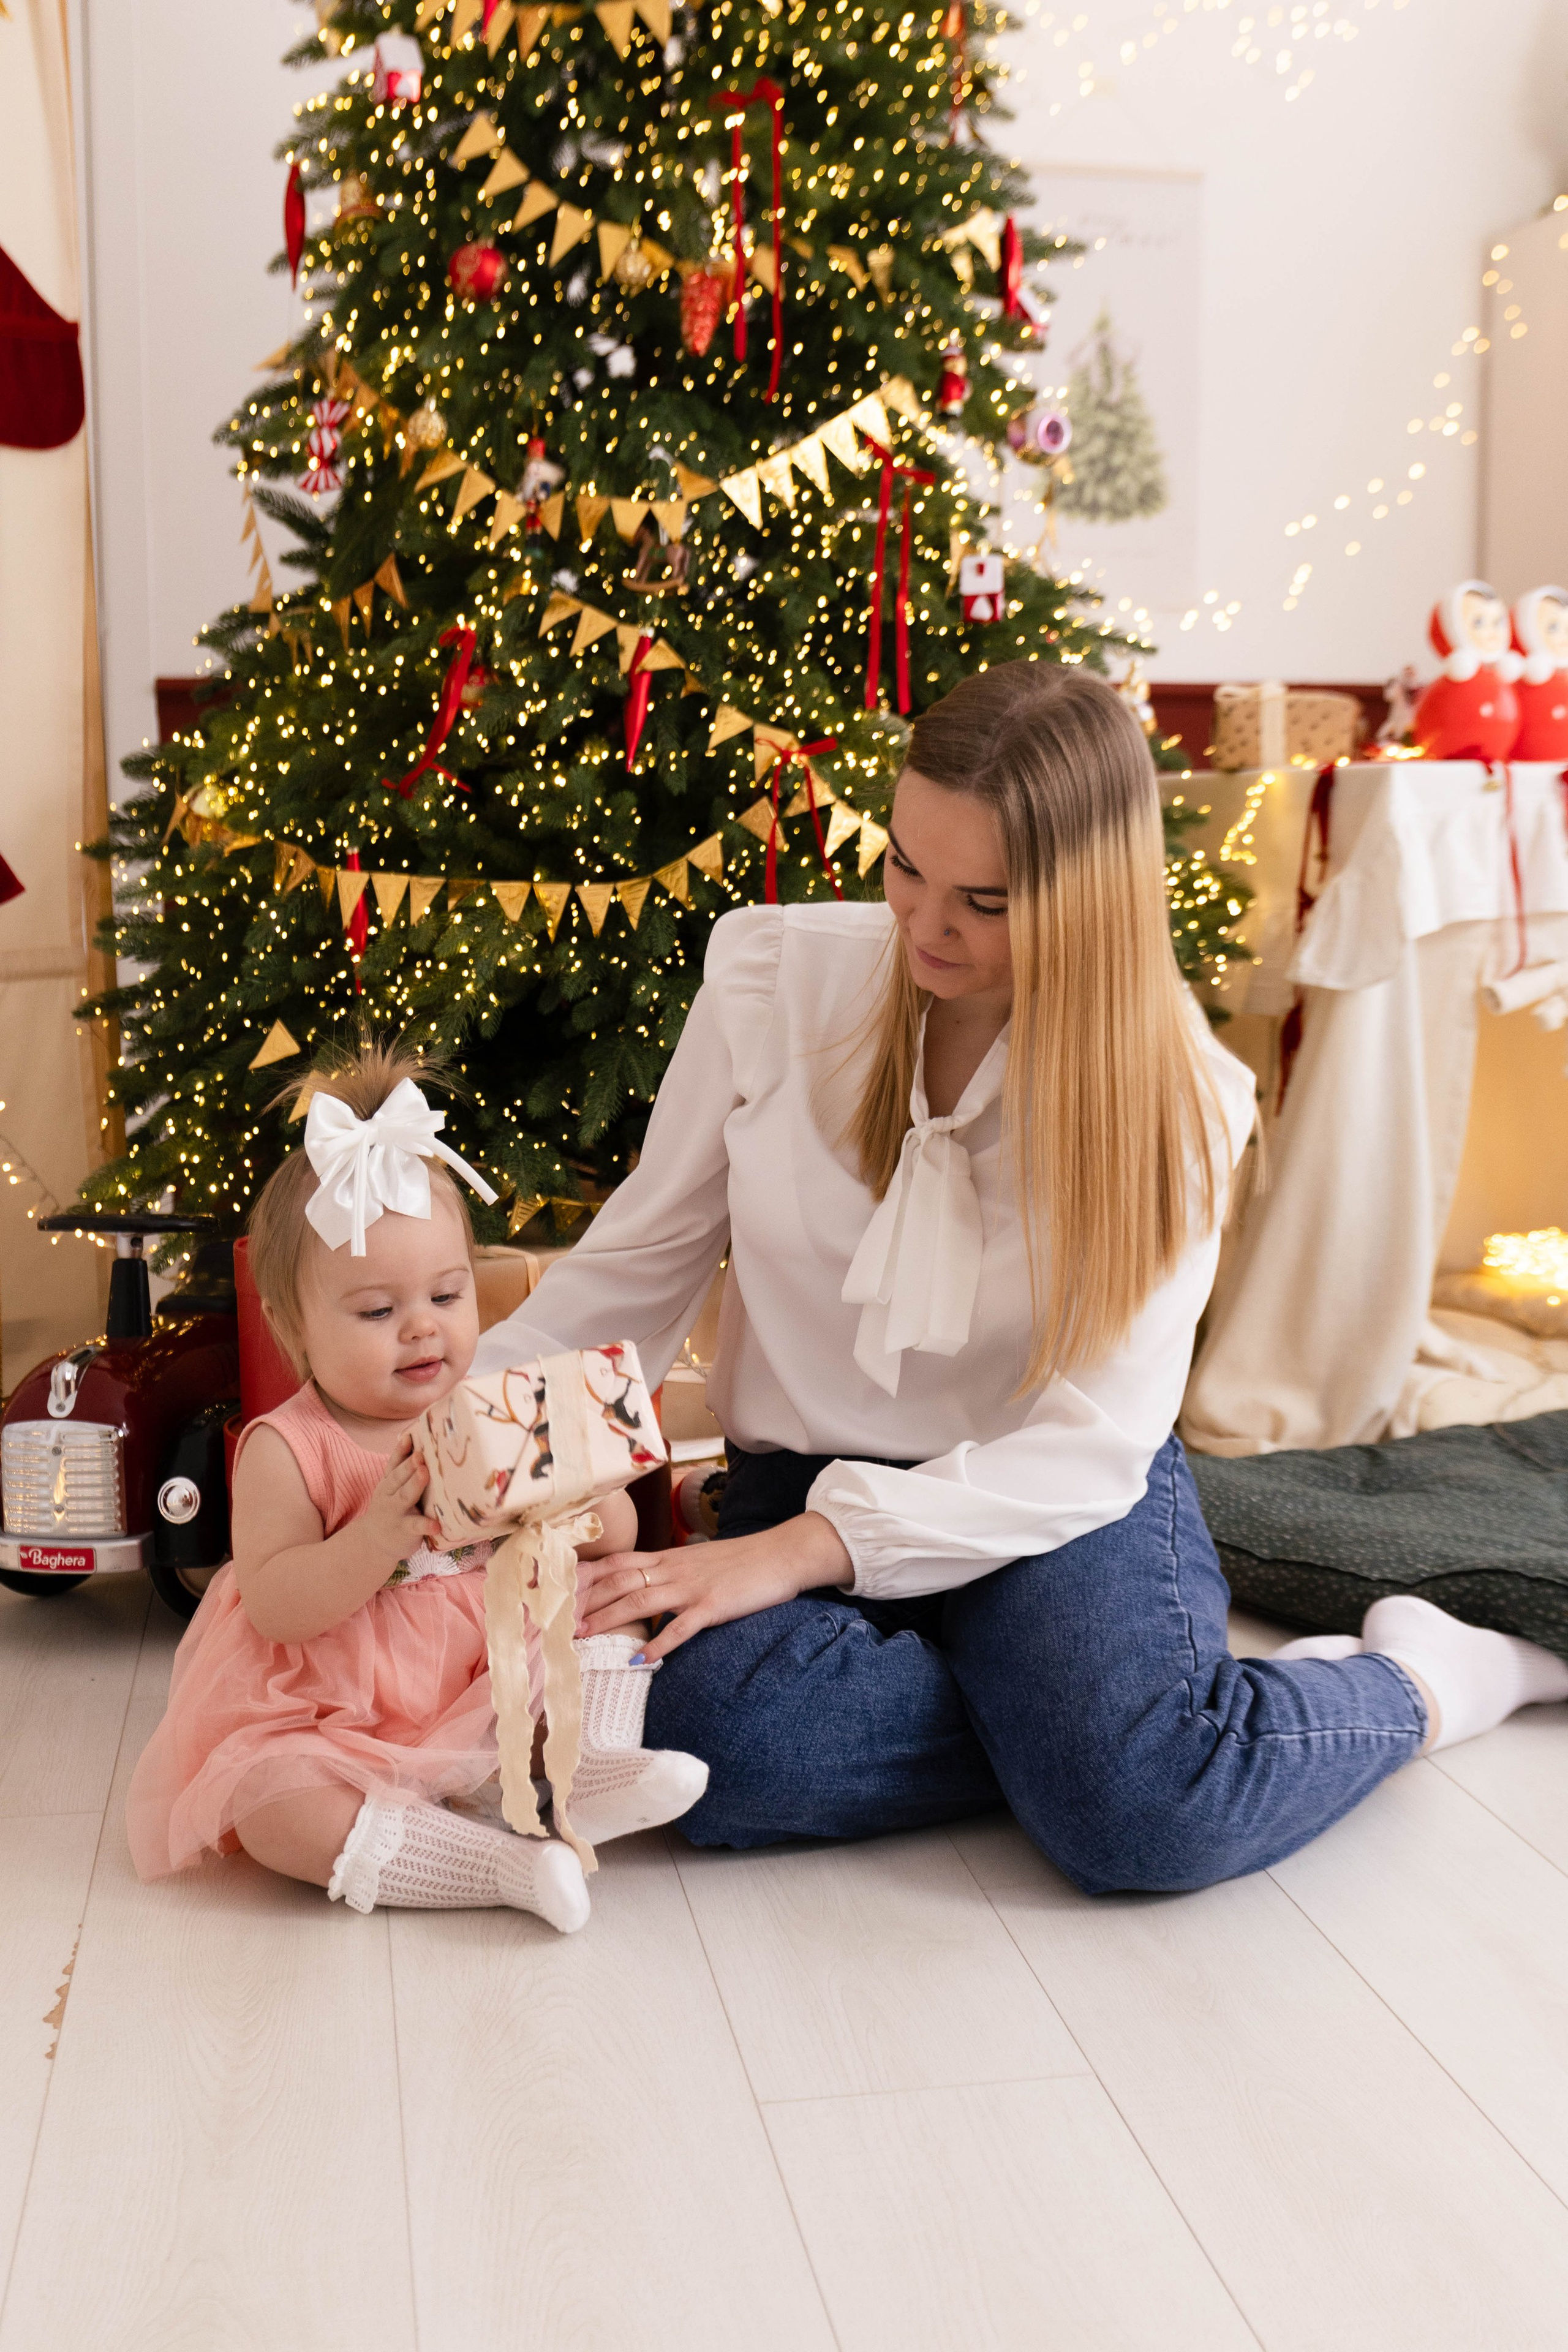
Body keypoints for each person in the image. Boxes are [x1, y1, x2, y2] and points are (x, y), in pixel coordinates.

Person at [477, 662, 1568, 1894]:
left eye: (983, 901)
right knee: (706, 1739)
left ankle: (1417, 1680)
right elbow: (632, 1271)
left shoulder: (1179, 1101)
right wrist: (434, 1443)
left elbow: (1090, 1447)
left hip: (1047, 1498)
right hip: (801, 1477)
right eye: (901, 865)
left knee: (1139, 1823)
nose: (921, 926)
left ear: (1085, 900)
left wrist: (793, 1559)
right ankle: (1115, 1729)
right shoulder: (769, 979)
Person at [126, 1045, 707, 1932]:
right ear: (293, 1326)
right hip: (343, 1707)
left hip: (491, 1671)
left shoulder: (491, 1406)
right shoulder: (290, 1448)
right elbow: (276, 1603)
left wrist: (578, 1504)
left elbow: (619, 1535)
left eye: (446, 1294)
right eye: (376, 1311)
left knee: (609, 1604)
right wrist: (372, 1542)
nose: (422, 1330)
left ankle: (590, 1764)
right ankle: (499, 1867)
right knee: (269, 1802)